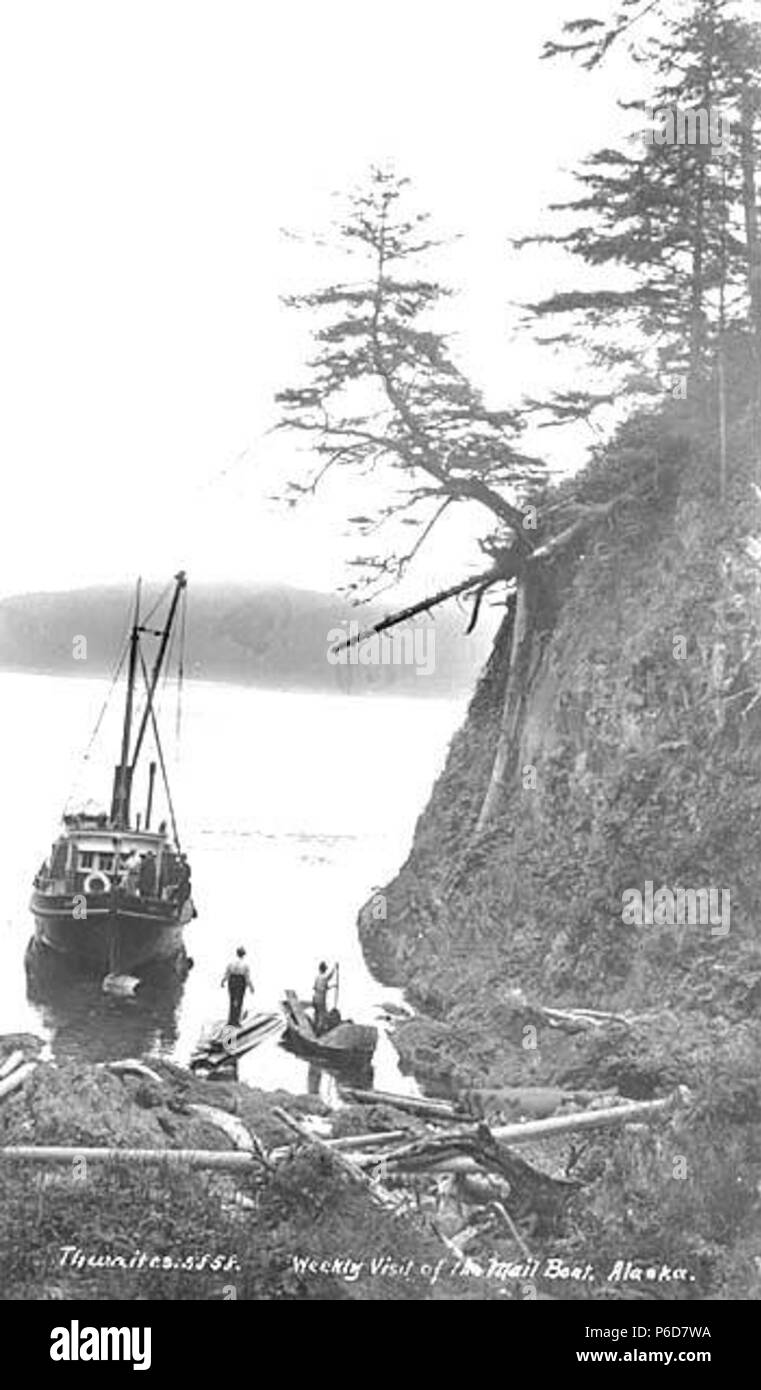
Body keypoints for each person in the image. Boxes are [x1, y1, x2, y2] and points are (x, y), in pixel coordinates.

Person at [221, 947, 253, 1027]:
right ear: (244, 954)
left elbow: (227, 973)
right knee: (239, 1000)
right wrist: (251, 986)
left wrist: (223, 981)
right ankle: (236, 1022)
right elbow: (247, 977)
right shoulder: (245, 964)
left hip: (232, 980)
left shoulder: (231, 963)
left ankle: (230, 1020)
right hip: (240, 981)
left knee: (232, 1000)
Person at [312, 961, 337, 1036]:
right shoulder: (324, 977)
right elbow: (330, 976)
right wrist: (334, 968)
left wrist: (332, 986)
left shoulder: (317, 977)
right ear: (325, 970)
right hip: (321, 1000)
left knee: (317, 1014)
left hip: (315, 998)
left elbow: (316, 987)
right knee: (322, 1016)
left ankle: (315, 1028)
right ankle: (317, 1033)